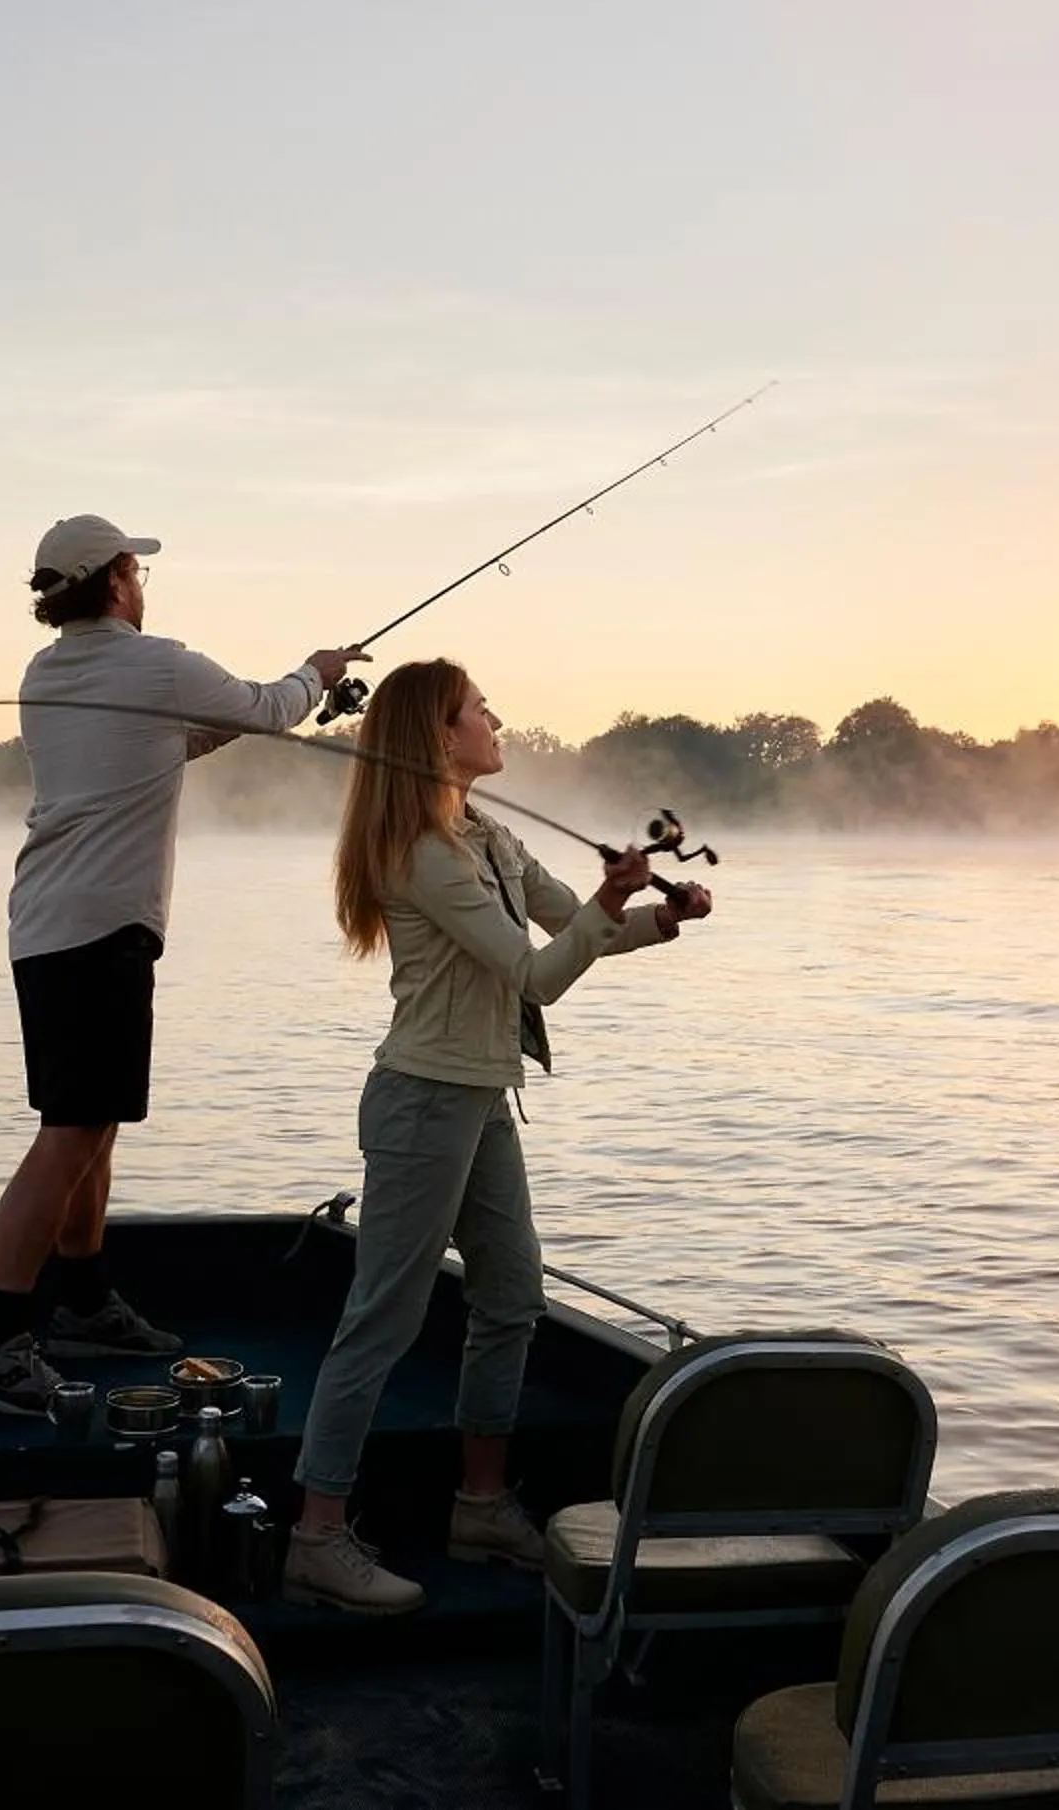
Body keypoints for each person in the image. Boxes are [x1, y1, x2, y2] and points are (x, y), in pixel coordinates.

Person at [283, 659, 712, 1613]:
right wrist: (610, 912)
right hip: (424, 1102)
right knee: (382, 1321)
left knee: (511, 1296)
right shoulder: (423, 854)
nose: (495, 718)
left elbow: (566, 924)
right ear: (440, 735)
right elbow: (537, 977)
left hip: (480, 1097)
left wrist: (657, 917)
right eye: (479, 709)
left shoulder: (485, 833)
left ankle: (479, 1504)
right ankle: (315, 1536)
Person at [0, 514, 368, 1416]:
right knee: (69, 1133)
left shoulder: (48, 675)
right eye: (136, 570)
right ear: (112, 581)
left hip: (51, 924)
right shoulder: (155, 662)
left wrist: (247, 720)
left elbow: (171, 743)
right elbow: (265, 705)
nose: (145, 584)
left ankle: (86, 1302)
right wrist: (320, 673)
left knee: (91, 1124)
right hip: (99, 929)